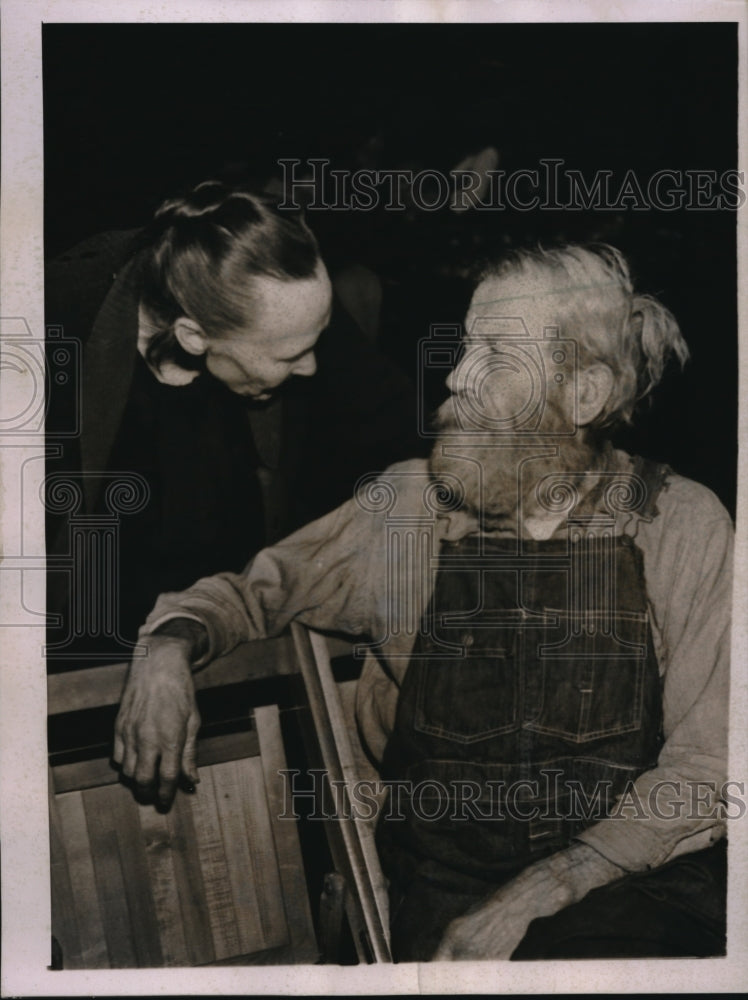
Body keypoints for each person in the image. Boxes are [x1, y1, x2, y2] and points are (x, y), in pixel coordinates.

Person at [113, 244, 731, 960]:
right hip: (445, 903)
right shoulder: (408, 508)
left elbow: (709, 768)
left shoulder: (680, 524)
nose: (456, 375)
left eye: (494, 354)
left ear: (584, 395)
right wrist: (166, 646)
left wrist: (548, 888)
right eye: (465, 345)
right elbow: (249, 595)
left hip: (624, 890)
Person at [45, 180, 423, 657]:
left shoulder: (288, 301)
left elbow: (395, 425)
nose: (311, 367)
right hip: (73, 648)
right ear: (192, 336)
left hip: (222, 631)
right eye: (291, 356)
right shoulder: (50, 328)